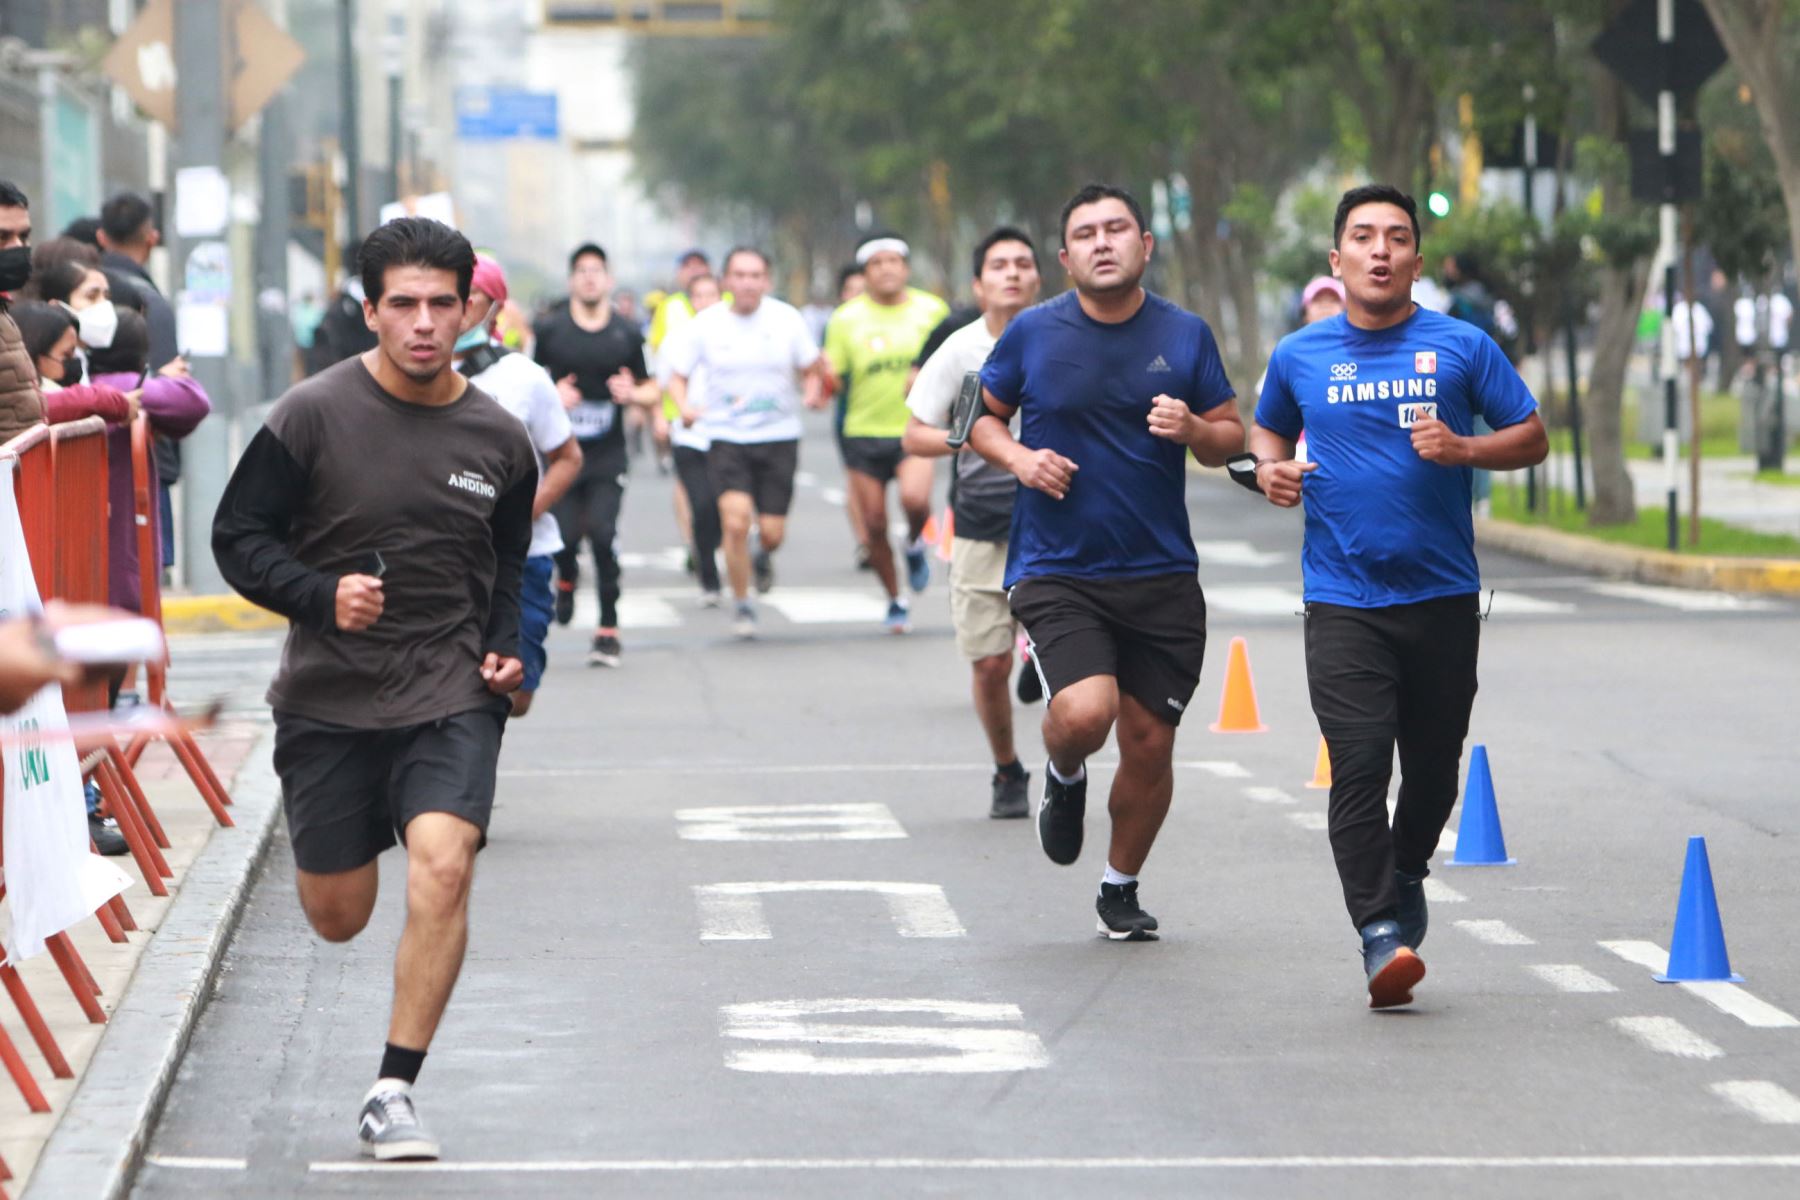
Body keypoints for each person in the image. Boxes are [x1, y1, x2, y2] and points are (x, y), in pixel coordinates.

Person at [212, 217, 535, 1161]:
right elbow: (239, 539)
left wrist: (507, 649)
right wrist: (319, 594)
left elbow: (507, 562)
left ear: (471, 310)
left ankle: (394, 1088)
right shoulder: (310, 414)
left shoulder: (499, 435)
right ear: (371, 313)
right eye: (405, 305)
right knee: (338, 914)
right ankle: (355, 847)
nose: (426, 323)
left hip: (448, 686)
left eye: (445, 304)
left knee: (443, 862)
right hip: (329, 698)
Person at [1248, 184, 1548, 1009]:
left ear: (1417, 259)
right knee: (1358, 765)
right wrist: (1269, 470)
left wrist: (1463, 448)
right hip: (1342, 597)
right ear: (1336, 260)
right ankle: (1380, 934)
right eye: (1363, 237)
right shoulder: (1301, 354)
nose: (1380, 251)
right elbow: (1265, 430)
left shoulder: (1461, 346)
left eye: (1396, 238)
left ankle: (1408, 865)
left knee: (1432, 776)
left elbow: (1532, 436)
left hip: (1443, 595)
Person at [970, 184, 1243, 941]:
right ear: (1065, 259)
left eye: (1116, 228)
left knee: (1151, 744)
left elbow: (1230, 437)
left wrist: (1194, 426)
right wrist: (1022, 460)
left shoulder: (1184, 335)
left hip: (1160, 573)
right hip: (1059, 566)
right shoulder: (1031, 333)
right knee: (1087, 713)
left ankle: (1119, 887)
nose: (1102, 242)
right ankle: (1062, 775)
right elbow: (982, 423)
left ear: (1145, 245)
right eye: (1085, 233)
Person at [903, 226, 1042, 819]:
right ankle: (1007, 768)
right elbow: (914, 435)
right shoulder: (960, 351)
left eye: (1022, 264)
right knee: (989, 664)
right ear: (979, 284)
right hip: (983, 524)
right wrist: (969, 440)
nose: (1011, 273)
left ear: (1039, 276)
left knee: (1080, 669)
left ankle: (1066, 763)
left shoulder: (1066, 339)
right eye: (998, 266)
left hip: (1060, 523)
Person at [668, 248, 828, 637]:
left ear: (766, 281)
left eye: (755, 275)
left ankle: (763, 556)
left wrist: (810, 391)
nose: (747, 283)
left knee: (771, 532)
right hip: (726, 437)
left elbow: (812, 368)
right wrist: (684, 406)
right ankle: (742, 603)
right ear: (725, 281)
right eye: (739, 275)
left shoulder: (787, 319)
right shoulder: (706, 325)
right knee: (736, 522)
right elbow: (677, 375)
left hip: (778, 437)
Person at [453, 254, 582, 717]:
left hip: (523, 558)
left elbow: (568, 457)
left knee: (516, 694)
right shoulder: (408, 374)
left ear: (495, 308)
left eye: (471, 300)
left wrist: (525, 512)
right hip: (447, 560)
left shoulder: (525, 378)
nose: (457, 309)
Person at [532, 242, 658, 666]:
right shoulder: (551, 330)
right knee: (564, 540)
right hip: (562, 453)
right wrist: (554, 393)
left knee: (603, 535)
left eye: (596, 270)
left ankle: (608, 628)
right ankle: (566, 579)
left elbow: (650, 388)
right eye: (581, 270)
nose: (589, 277)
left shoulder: (626, 331)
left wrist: (632, 393)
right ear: (571, 280)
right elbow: (532, 384)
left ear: (608, 279)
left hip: (607, 453)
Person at [823, 234, 950, 631]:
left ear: (906, 268)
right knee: (874, 524)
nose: (886, 269)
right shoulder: (845, 319)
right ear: (865, 273)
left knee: (915, 501)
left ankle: (914, 544)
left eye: (893, 261)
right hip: (862, 431)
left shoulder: (932, 310)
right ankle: (895, 598)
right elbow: (835, 379)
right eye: (876, 263)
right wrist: (822, 381)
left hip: (916, 427)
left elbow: (955, 364)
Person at [87, 309, 210, 612]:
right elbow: (194, 402)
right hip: (118, 551)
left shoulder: (91, 383)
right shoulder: (123, 385)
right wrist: (155, 379)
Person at [98, 192, 189, 572]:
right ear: (151, 237)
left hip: (96, 460)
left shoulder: (89, 284)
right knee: (145, 580)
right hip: (141, 460)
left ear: (101, 237)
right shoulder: (149, 301)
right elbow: (171, 388)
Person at [657, 271, 725, 603]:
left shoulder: (737, 335)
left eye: (712, 295)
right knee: (703, 504)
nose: (706, 302)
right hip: (689, 435)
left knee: (730, 506)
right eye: (699, 296)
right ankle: (709, 576)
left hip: (730, 434)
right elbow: (656, 384)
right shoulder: (677, 340)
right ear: (691, 301)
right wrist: (660, 417)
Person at [823, 263, 871, 570]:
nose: (857, 297)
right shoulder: (838, 326)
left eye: (862, 291)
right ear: (842, 295)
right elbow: (829, 380)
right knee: (855, 483)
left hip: (900, 419)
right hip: (851, 418)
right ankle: (865, 543)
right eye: (851, 291)